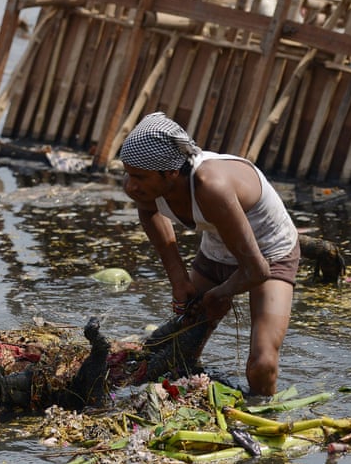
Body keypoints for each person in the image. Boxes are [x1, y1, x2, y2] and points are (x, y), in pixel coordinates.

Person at [118, 112, 299, 397]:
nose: (130, 186)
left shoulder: (211, 187)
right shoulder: (146, 185)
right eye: (127, 174)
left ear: (171, 173)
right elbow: (150, 210)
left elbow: (257, 270)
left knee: (261, 365)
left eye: (139, 177)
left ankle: (261, 423)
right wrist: (179, 280)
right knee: (179, 349)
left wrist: (218, 295)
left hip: (269, 254)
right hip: (217, 251)